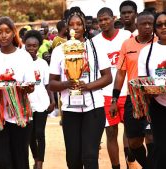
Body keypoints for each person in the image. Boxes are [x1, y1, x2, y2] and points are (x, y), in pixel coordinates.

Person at [49, 7, 112, 168]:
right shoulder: (58, 51)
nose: (75, 27)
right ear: (66, 28)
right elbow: (52, 84)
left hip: (94, 108)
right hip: (70, 110)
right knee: (73, 160)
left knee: (90, 157)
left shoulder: (96, 48)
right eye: (71, 24)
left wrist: (87, 86)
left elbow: (107, 77)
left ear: (84, 27)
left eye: (79, 24)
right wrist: (67, 84)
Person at [0, 16, 35, 169]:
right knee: (1, 160)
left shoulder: (23, 56)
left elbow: (31, 86)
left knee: (20, 159)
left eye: (7, 31)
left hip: (20, 117)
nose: (3, 35)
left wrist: (18, 87)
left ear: (14, 33)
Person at [111, 11, 157, 169]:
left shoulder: (159, 43)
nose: (147, 27)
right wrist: (114, 100)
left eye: (150, 24)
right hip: (134, 98)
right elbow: (120, 73)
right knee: (134, 142)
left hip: (155, 98)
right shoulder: (127, 44)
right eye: (143, 24)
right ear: (136, 26)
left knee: (151, 137)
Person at [92, 7, 132, 169]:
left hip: (128, 92)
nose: (103, 22)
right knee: (110, 133)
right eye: (100, 20)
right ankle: (116, 166)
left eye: (106, 19)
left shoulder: (126, 36)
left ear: (114, 18)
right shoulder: (94, 42)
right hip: (106, 94)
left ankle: (131, 162)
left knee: (130, 131)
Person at [138, 11, 166, 169]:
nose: (163, 27)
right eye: (159, 25)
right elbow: (142, 82)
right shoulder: (147, 52)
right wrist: (153, 90)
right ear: (155, 29)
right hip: (158, 105)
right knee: (162, 149)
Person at [24, 30, 55, 169]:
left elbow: (47, 84)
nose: (31, 48)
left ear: (39, 46)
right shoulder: (21, 63)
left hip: (42, 102)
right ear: (24, 46)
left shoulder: (42, 64)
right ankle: (36, 157)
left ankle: (39, 163)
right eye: (28, 46)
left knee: (39, 133)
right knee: (30, 135)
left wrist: (52, 100)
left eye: (34, 46)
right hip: (27, 104)